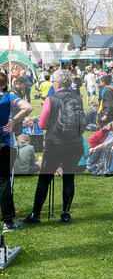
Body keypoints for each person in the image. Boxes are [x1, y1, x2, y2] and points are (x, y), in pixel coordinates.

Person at [20, 69, 87, 225]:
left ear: (57, 83)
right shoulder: (78, 98)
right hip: (76, 143)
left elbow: (42, 124)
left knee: (44, 179)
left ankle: (35, 214)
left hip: (56, 144)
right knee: (69, 179)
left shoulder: (52, 99)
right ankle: (65, 214)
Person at [1, 71, 34, 231]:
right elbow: (28, 107)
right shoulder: (7, 97)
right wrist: (14, 120)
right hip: (4, 143)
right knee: (5, 182)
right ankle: (7, 220)